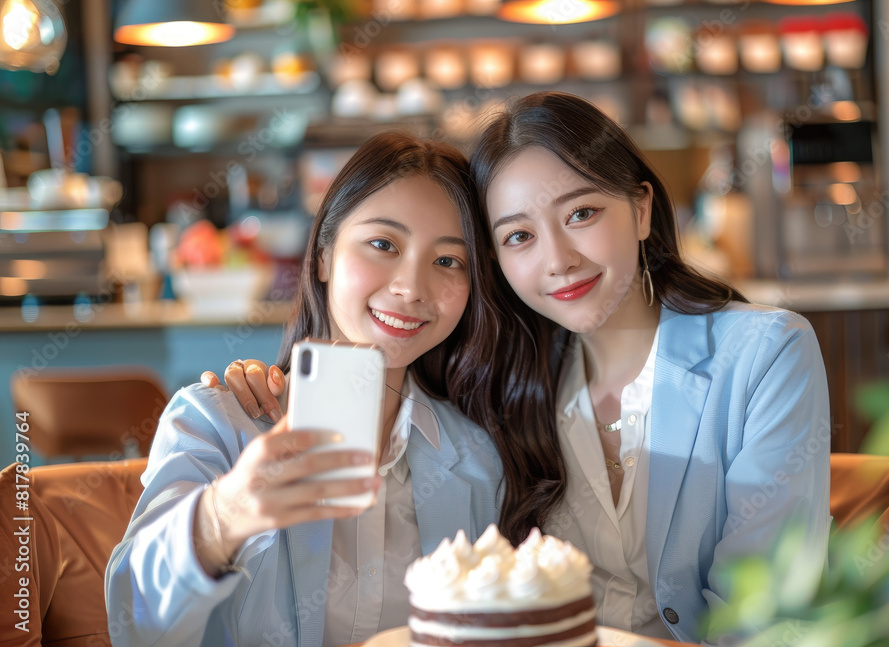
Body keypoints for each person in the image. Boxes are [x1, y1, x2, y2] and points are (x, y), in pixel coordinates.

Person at [216, 92, 832, 645]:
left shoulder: (764, 354)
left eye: (582, 214)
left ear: (641, 209)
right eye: (517, 237)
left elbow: (766, 615)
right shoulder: (503, 383)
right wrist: (269, 381)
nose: (558, 260)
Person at [105, 132, 505, 647]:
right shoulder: (216, 423)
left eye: (448, 261)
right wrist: (225, 514)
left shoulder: (475, 456)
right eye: (383, 245)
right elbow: (132, 623)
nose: (411, 287)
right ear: (322, 258)